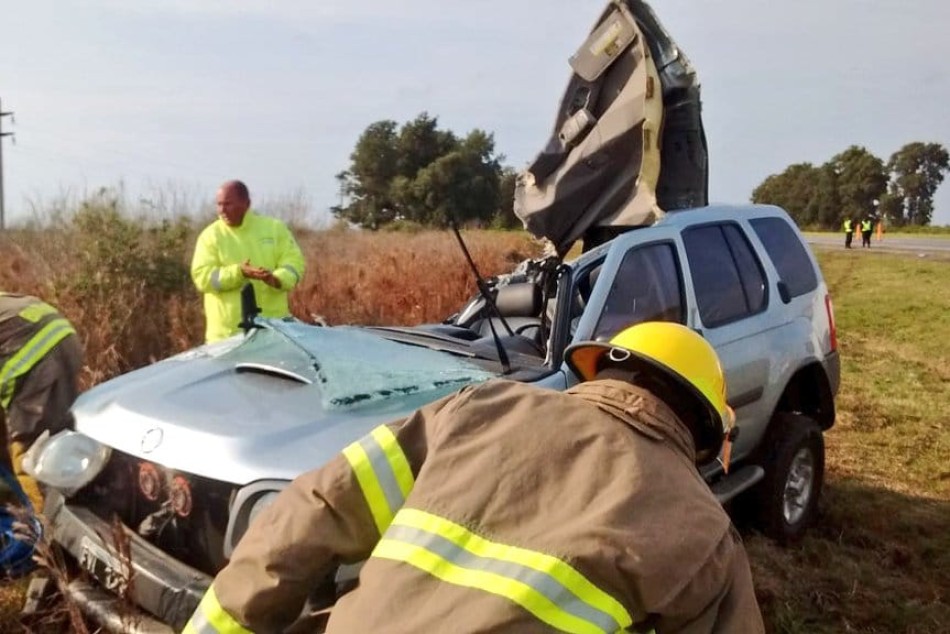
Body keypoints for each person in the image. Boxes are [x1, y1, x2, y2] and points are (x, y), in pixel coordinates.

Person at [183, 322, 765, 634]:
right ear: (706, 428)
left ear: (600, 370)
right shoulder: (707, 538)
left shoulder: (478, 409)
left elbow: (313, 508)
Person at [191, 180, 306, 342]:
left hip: (273, 333)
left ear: (246, 204)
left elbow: (295, 263)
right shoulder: (210, 236)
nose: (222, 210)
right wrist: (239, 272)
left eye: (228, 204)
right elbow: (202, 277)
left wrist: (277, 279)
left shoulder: (274, 229)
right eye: (219, 204)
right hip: (226, 338)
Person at [0, 292, 82, 510]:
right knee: (60, 434)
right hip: (62, 335)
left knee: (29, 451)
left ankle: (42, 523)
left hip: (32, 354)